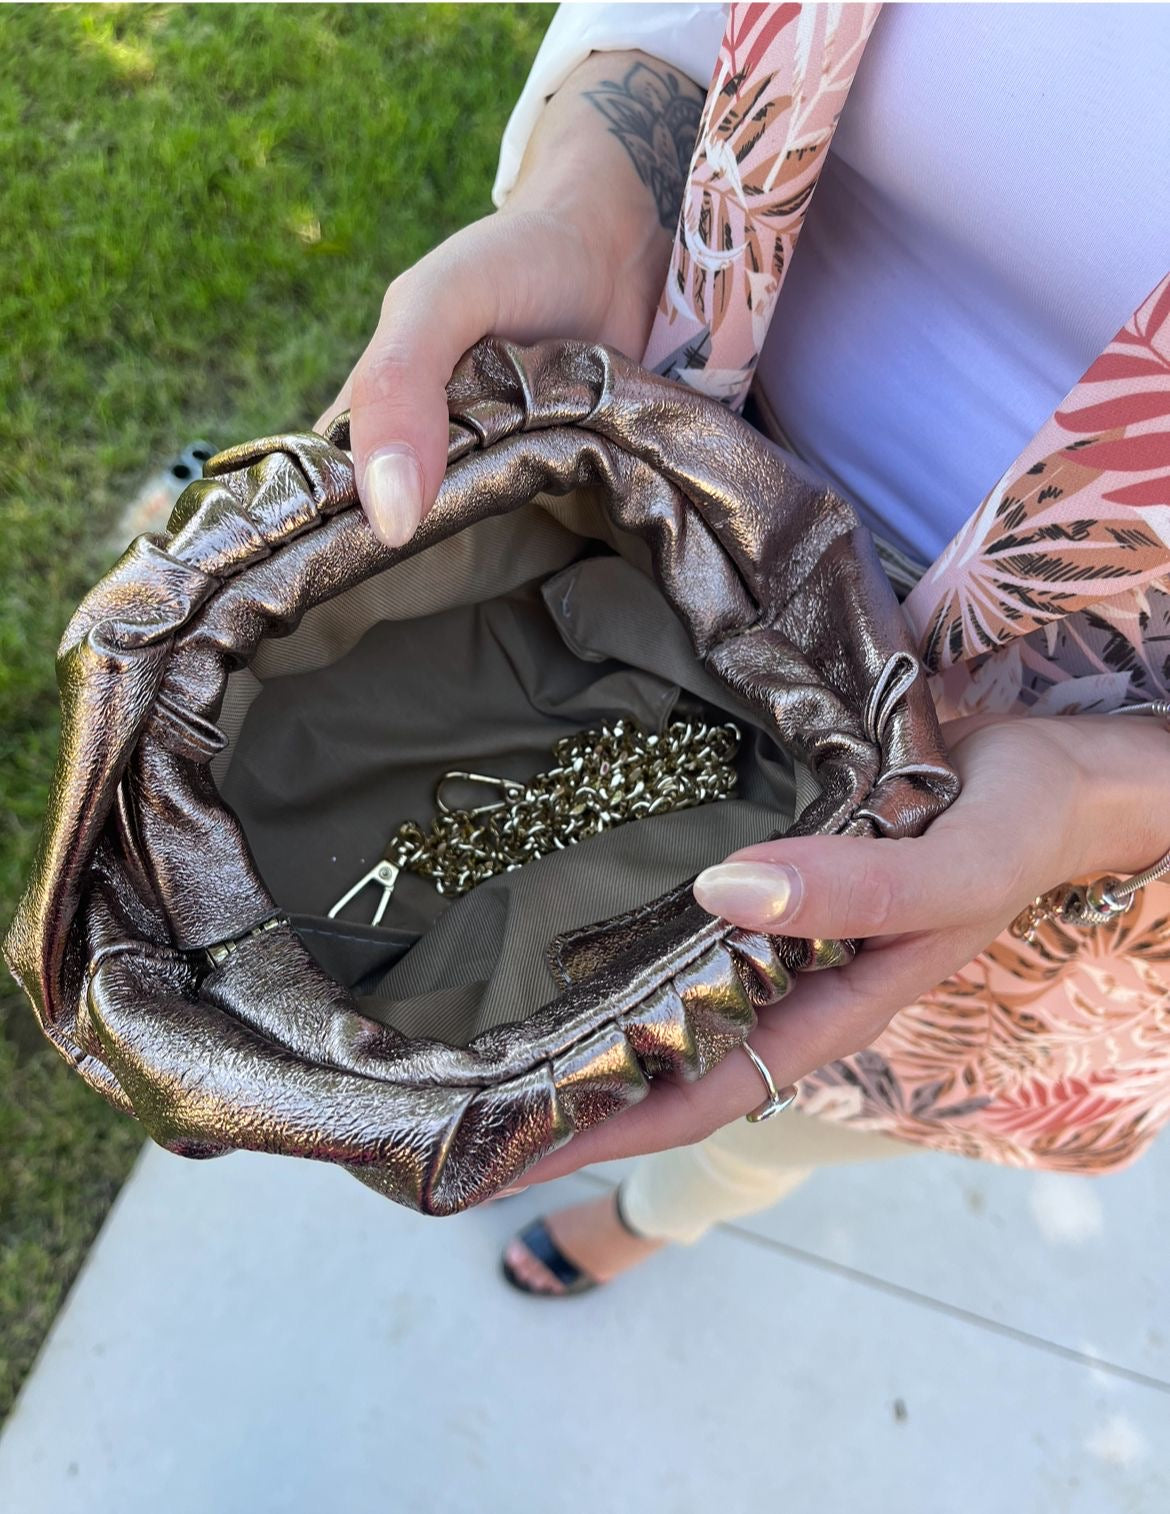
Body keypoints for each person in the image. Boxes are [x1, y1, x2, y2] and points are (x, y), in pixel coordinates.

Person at [317, 3, 1170, 1295]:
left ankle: (667, 1211)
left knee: (803, 1096)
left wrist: (1104, 801)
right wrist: (594, 205)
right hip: (647, 554)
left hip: (1043, 822)